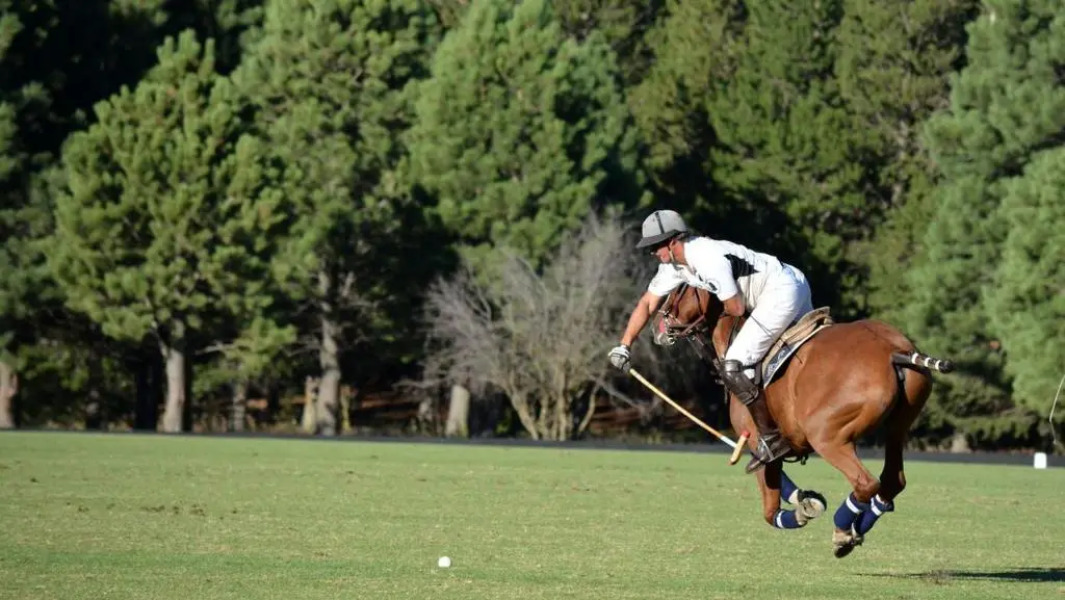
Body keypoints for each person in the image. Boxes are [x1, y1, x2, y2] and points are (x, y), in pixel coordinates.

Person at [608, 209, 813, 472]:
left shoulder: (707, 258)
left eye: (655, 246)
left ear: (673, 242)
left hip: (780, 292)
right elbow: (647, 303)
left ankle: (772, 439)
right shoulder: (673, 268)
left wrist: (699, 321)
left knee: (734, 363)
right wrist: (624, 345)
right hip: (791, 280)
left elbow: (737, 309)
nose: (652, 253)